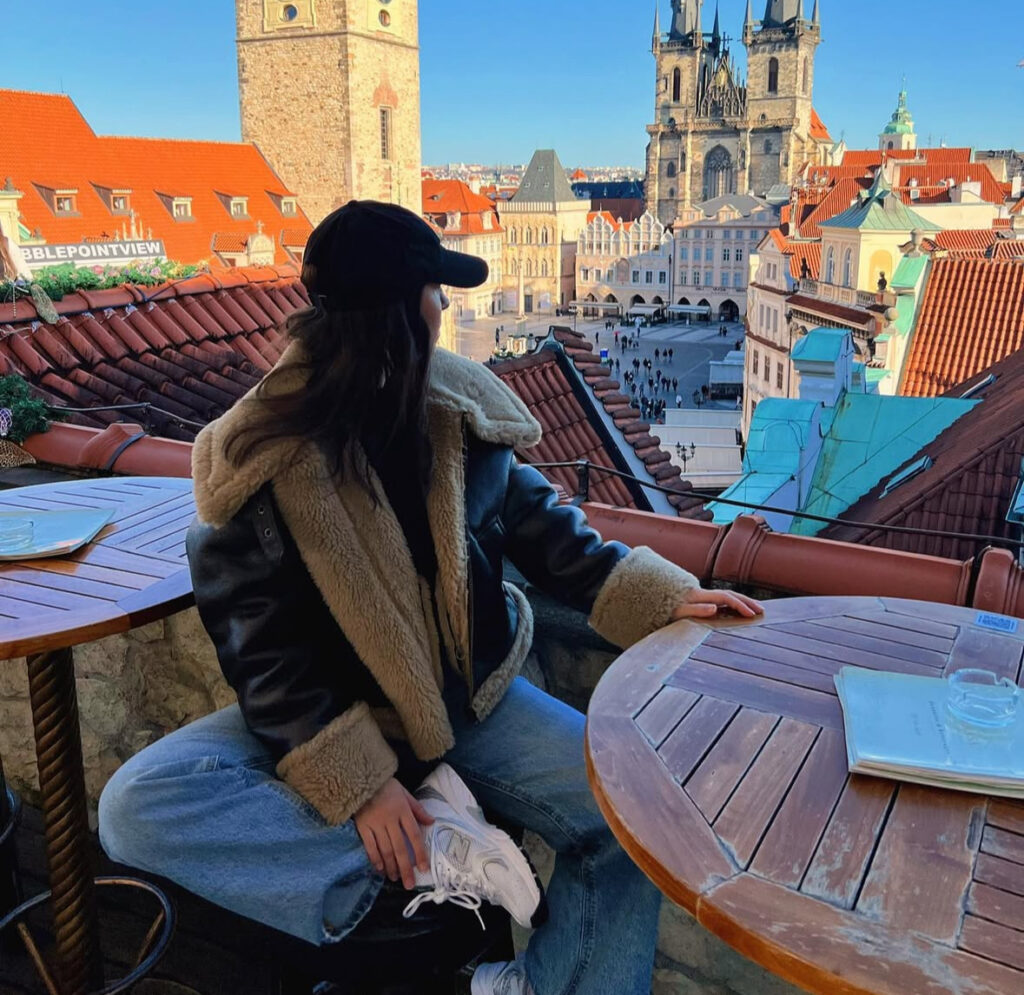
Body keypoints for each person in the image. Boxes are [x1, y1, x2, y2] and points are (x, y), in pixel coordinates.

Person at [97, 200, 762, 995]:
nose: (446, 306)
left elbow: (544, 528)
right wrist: (361, 783)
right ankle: (427, 869)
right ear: (396, 308)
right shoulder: (261, 455)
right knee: (134, 805)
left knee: (633, 817)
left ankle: (531, 983)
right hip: (333, 714)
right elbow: (261, 649)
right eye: (435, 290)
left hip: (469, 699)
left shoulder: (458, 409)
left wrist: (660, 596)